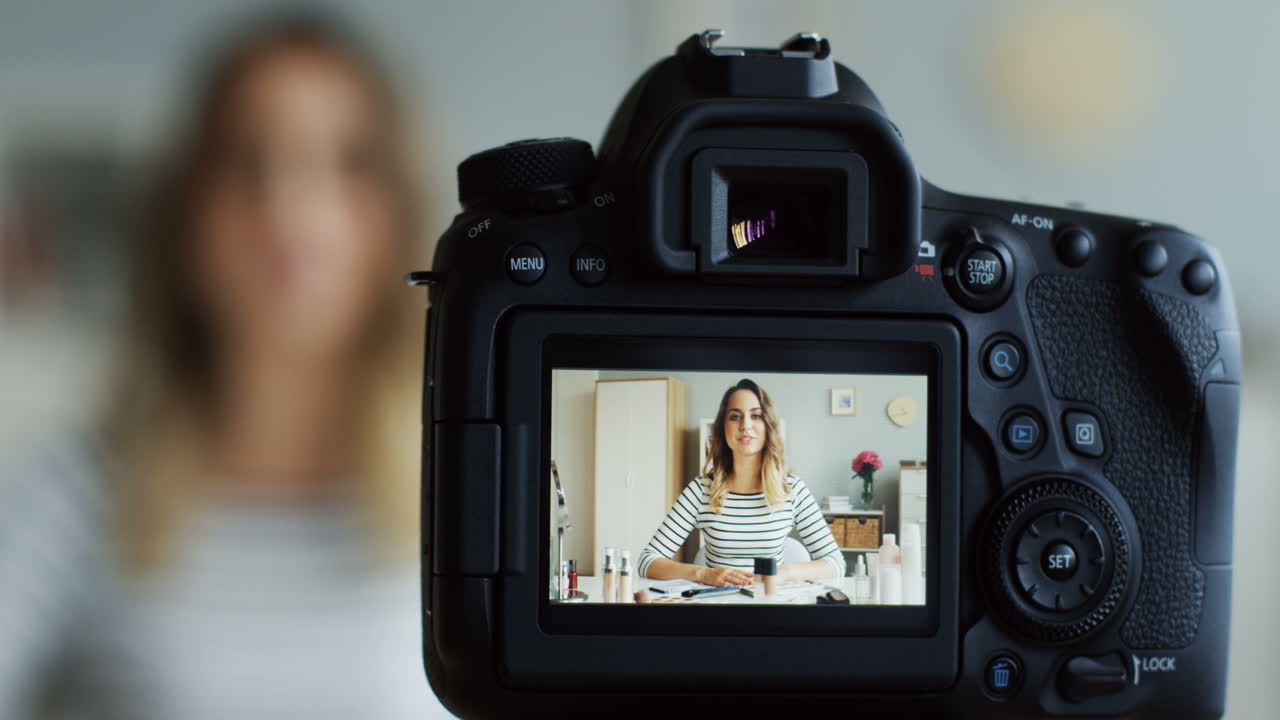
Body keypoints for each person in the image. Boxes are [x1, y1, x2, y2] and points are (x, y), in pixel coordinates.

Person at [0, 13, 447, 719]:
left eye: (346, 162)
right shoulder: (73, 500)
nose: (289, 208)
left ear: (398, 213)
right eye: (247, 161)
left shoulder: (469, 502)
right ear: (188, 215)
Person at [637, 379, 846, 587]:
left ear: (768, 426)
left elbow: (835, 564)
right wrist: (703, 574)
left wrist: (784, 572)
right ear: (723, 428)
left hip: (770, 607)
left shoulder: (792, 489)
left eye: (756, 416)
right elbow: (648, 561)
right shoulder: (701, 490)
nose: (745, 425)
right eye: (735, 417)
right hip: (718, 608)